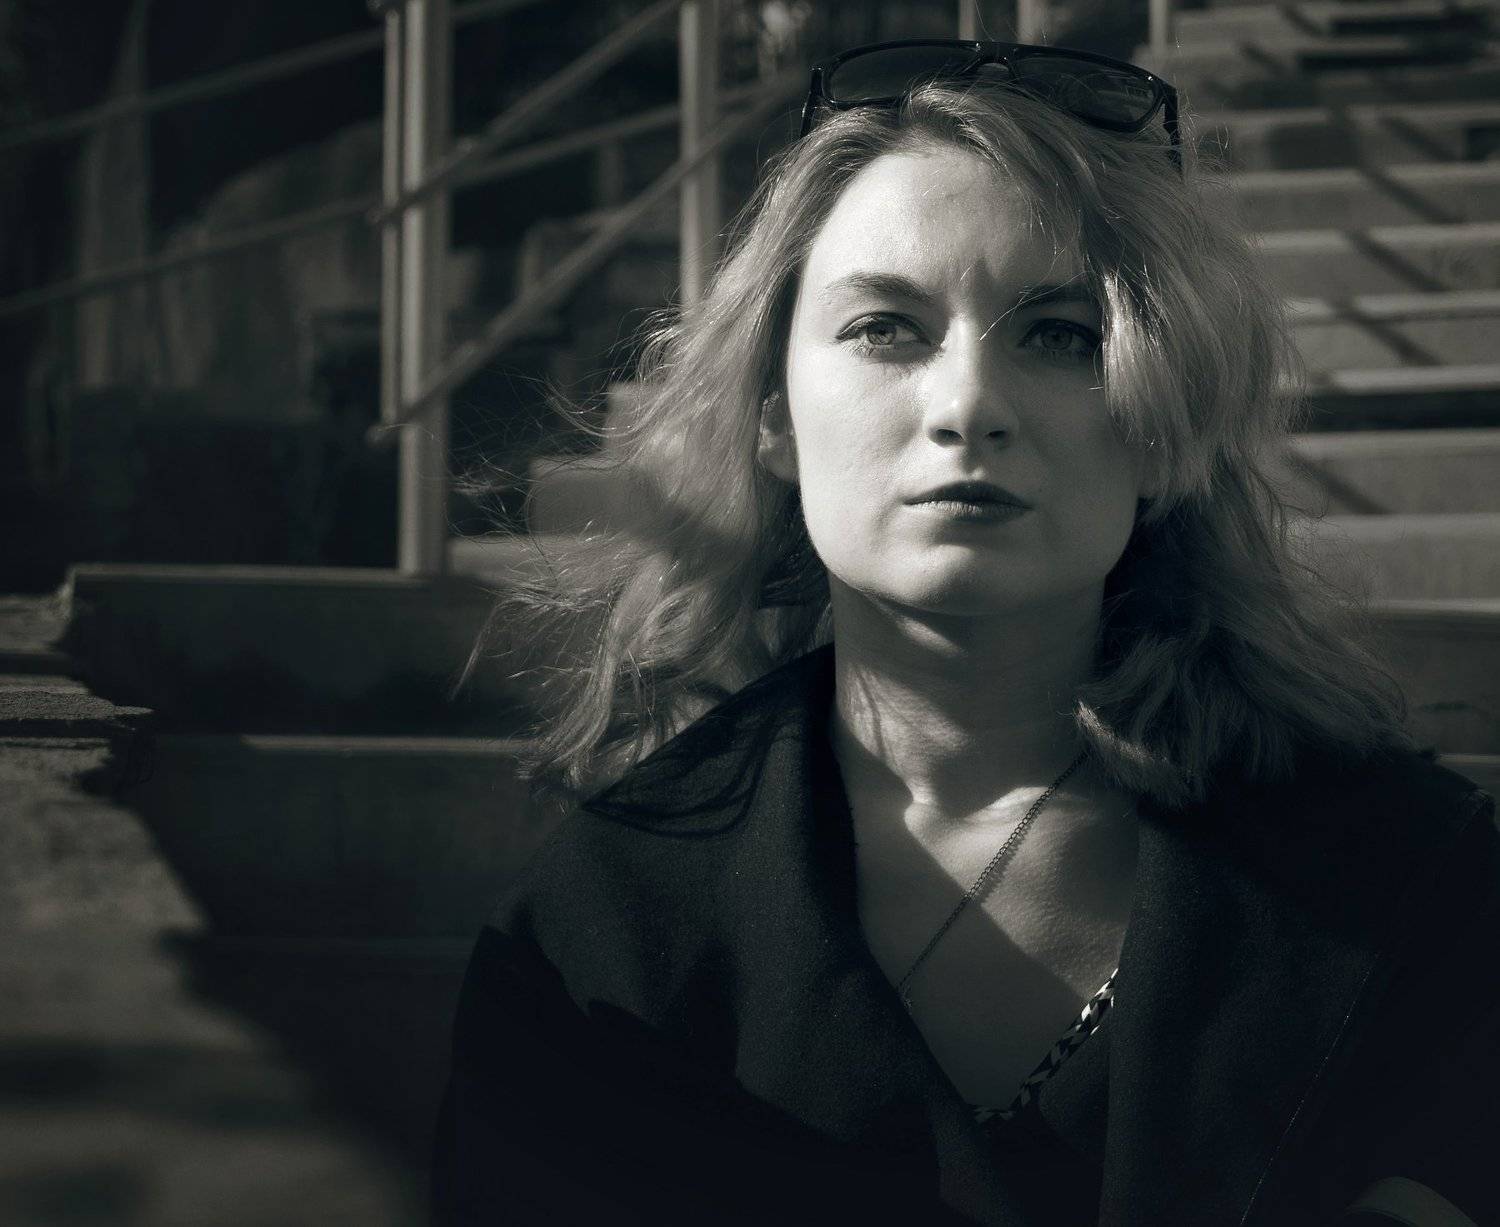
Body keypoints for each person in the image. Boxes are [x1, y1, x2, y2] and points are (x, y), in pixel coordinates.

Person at [432, 40, 1499, 1227]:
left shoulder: (1417, 887)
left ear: (1162, 422)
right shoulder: (602, 928)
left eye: (1062, 334)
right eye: (886, 328)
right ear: (773, 414)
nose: (968, 406)